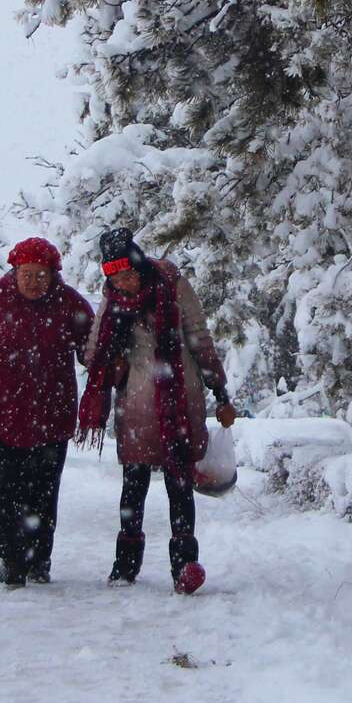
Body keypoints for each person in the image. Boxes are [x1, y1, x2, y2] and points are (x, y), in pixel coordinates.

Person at [77, 229, 237, 594]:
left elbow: (199, 337)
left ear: (140, 267)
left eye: (128, 275)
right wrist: (109, 358)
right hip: (135, 404)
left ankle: (184, 564)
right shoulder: (112, 300)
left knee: (179, 484)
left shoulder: (172, 287)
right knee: (133, 486)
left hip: (180, 399)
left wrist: (220, 391)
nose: (124, 283)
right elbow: (93, 352)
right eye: (115, 278)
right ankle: (125, 566)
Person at [0, 237, 93, 588]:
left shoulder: (69, 304)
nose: (33, 282)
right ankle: (11, 560)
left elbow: (93, 348)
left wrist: (111, 364)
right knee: (3, 494)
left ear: (53, 275)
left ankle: (38, 562)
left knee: (43, 495)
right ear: (14, 271)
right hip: (2, 417)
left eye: (41, 275)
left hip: (51, 419)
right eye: (27, 274)